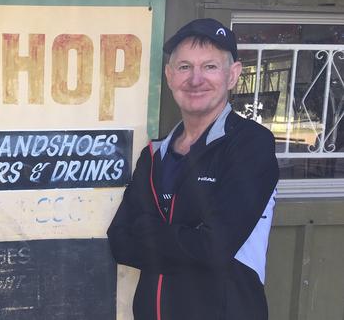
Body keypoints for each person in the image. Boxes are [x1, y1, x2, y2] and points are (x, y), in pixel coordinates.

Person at [107, 18, 279, 320]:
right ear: (170, 76)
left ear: (233, 75)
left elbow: (215, 248)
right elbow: (120, 241)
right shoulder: (153, 154)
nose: (195, 79)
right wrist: (188, 238)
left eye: (210, 67)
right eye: (185, 67)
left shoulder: (250, 144)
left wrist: (149, 231)